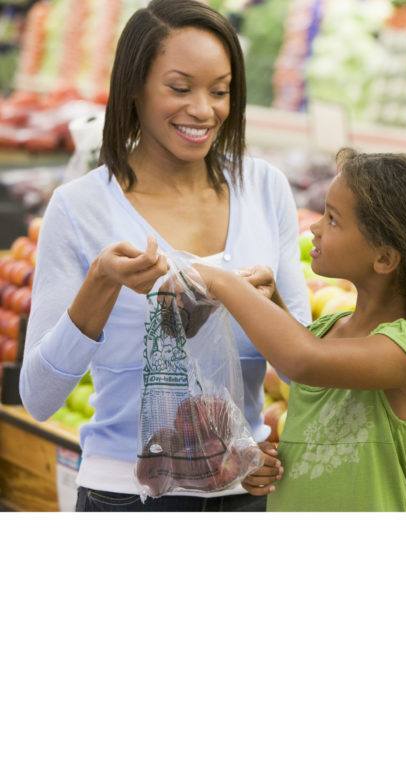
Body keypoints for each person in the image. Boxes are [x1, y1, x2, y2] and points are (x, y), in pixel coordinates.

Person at [20, 0, 310, 511]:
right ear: (134, 87)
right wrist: (100, 285)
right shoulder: (81, 206)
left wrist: (269, 307)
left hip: (243, 496)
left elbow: (302, 373)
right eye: (180, 88)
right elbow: (38, 398)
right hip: (125, 499)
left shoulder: (264, 188)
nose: (203, 109)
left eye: (220, 91)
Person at [190, 149, 406, 511]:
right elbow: (300, 366)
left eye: (333, 219)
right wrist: (265, 464)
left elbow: (304, 361)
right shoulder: (328, 328)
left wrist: (224, 283)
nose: (315, 228)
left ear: (384, 258)